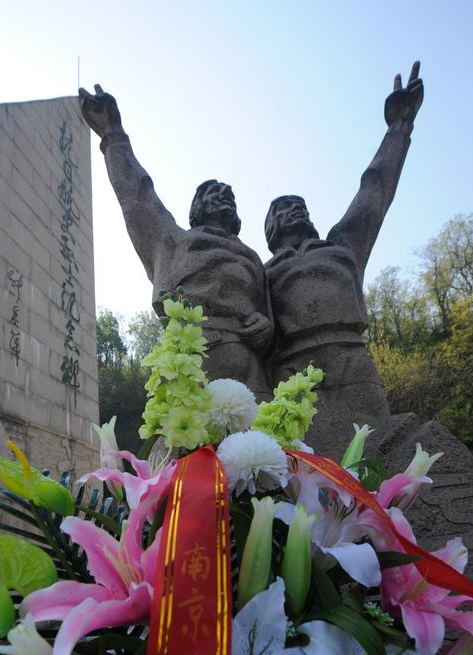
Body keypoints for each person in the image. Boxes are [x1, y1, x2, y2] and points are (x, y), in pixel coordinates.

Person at [264, 62, 424, 450]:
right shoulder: (263, 271)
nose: (296, 209)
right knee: (310, 465)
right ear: (269, 228)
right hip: (294, 370)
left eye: (300, 204)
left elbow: (374, 192)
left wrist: (399, 127)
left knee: (379, 451)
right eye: (284, 207)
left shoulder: (341, 248)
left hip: (352, 357)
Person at [79, 85, 273, 400]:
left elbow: (269, 318)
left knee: (260, 448)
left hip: (251, 371)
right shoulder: (174, 241)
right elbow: (138, 196)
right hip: (192, 364)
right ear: (195, 210)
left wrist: (265, 328)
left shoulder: (252, 259)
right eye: (211, 194)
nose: (222, 196)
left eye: (228, 196)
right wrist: (113, 135)